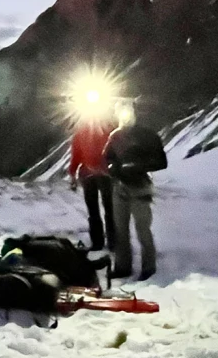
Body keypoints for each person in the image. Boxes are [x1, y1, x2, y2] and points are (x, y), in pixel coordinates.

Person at [104, 101, 167, 281]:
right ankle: (123, 267)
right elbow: (108, 158)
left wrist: (138, 166)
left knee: (142, 229)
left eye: (127, 112)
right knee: (120, 230)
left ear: (134, 113)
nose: (124, 116)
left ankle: (149, 267)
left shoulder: (147, 135)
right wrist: (113, 167)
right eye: (121, 112)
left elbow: (162, 162)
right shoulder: (115, 136)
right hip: (120, 187)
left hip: (140, 187)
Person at [68, 114, 117, 251]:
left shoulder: (81, 133)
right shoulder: (108, 130)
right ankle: (112, 242)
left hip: (90, 174)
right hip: (103, 174)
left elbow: (75, 156)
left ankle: (99, 242)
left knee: (96, 210)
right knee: (108, 209)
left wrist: (73, 175)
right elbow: (76, 155)